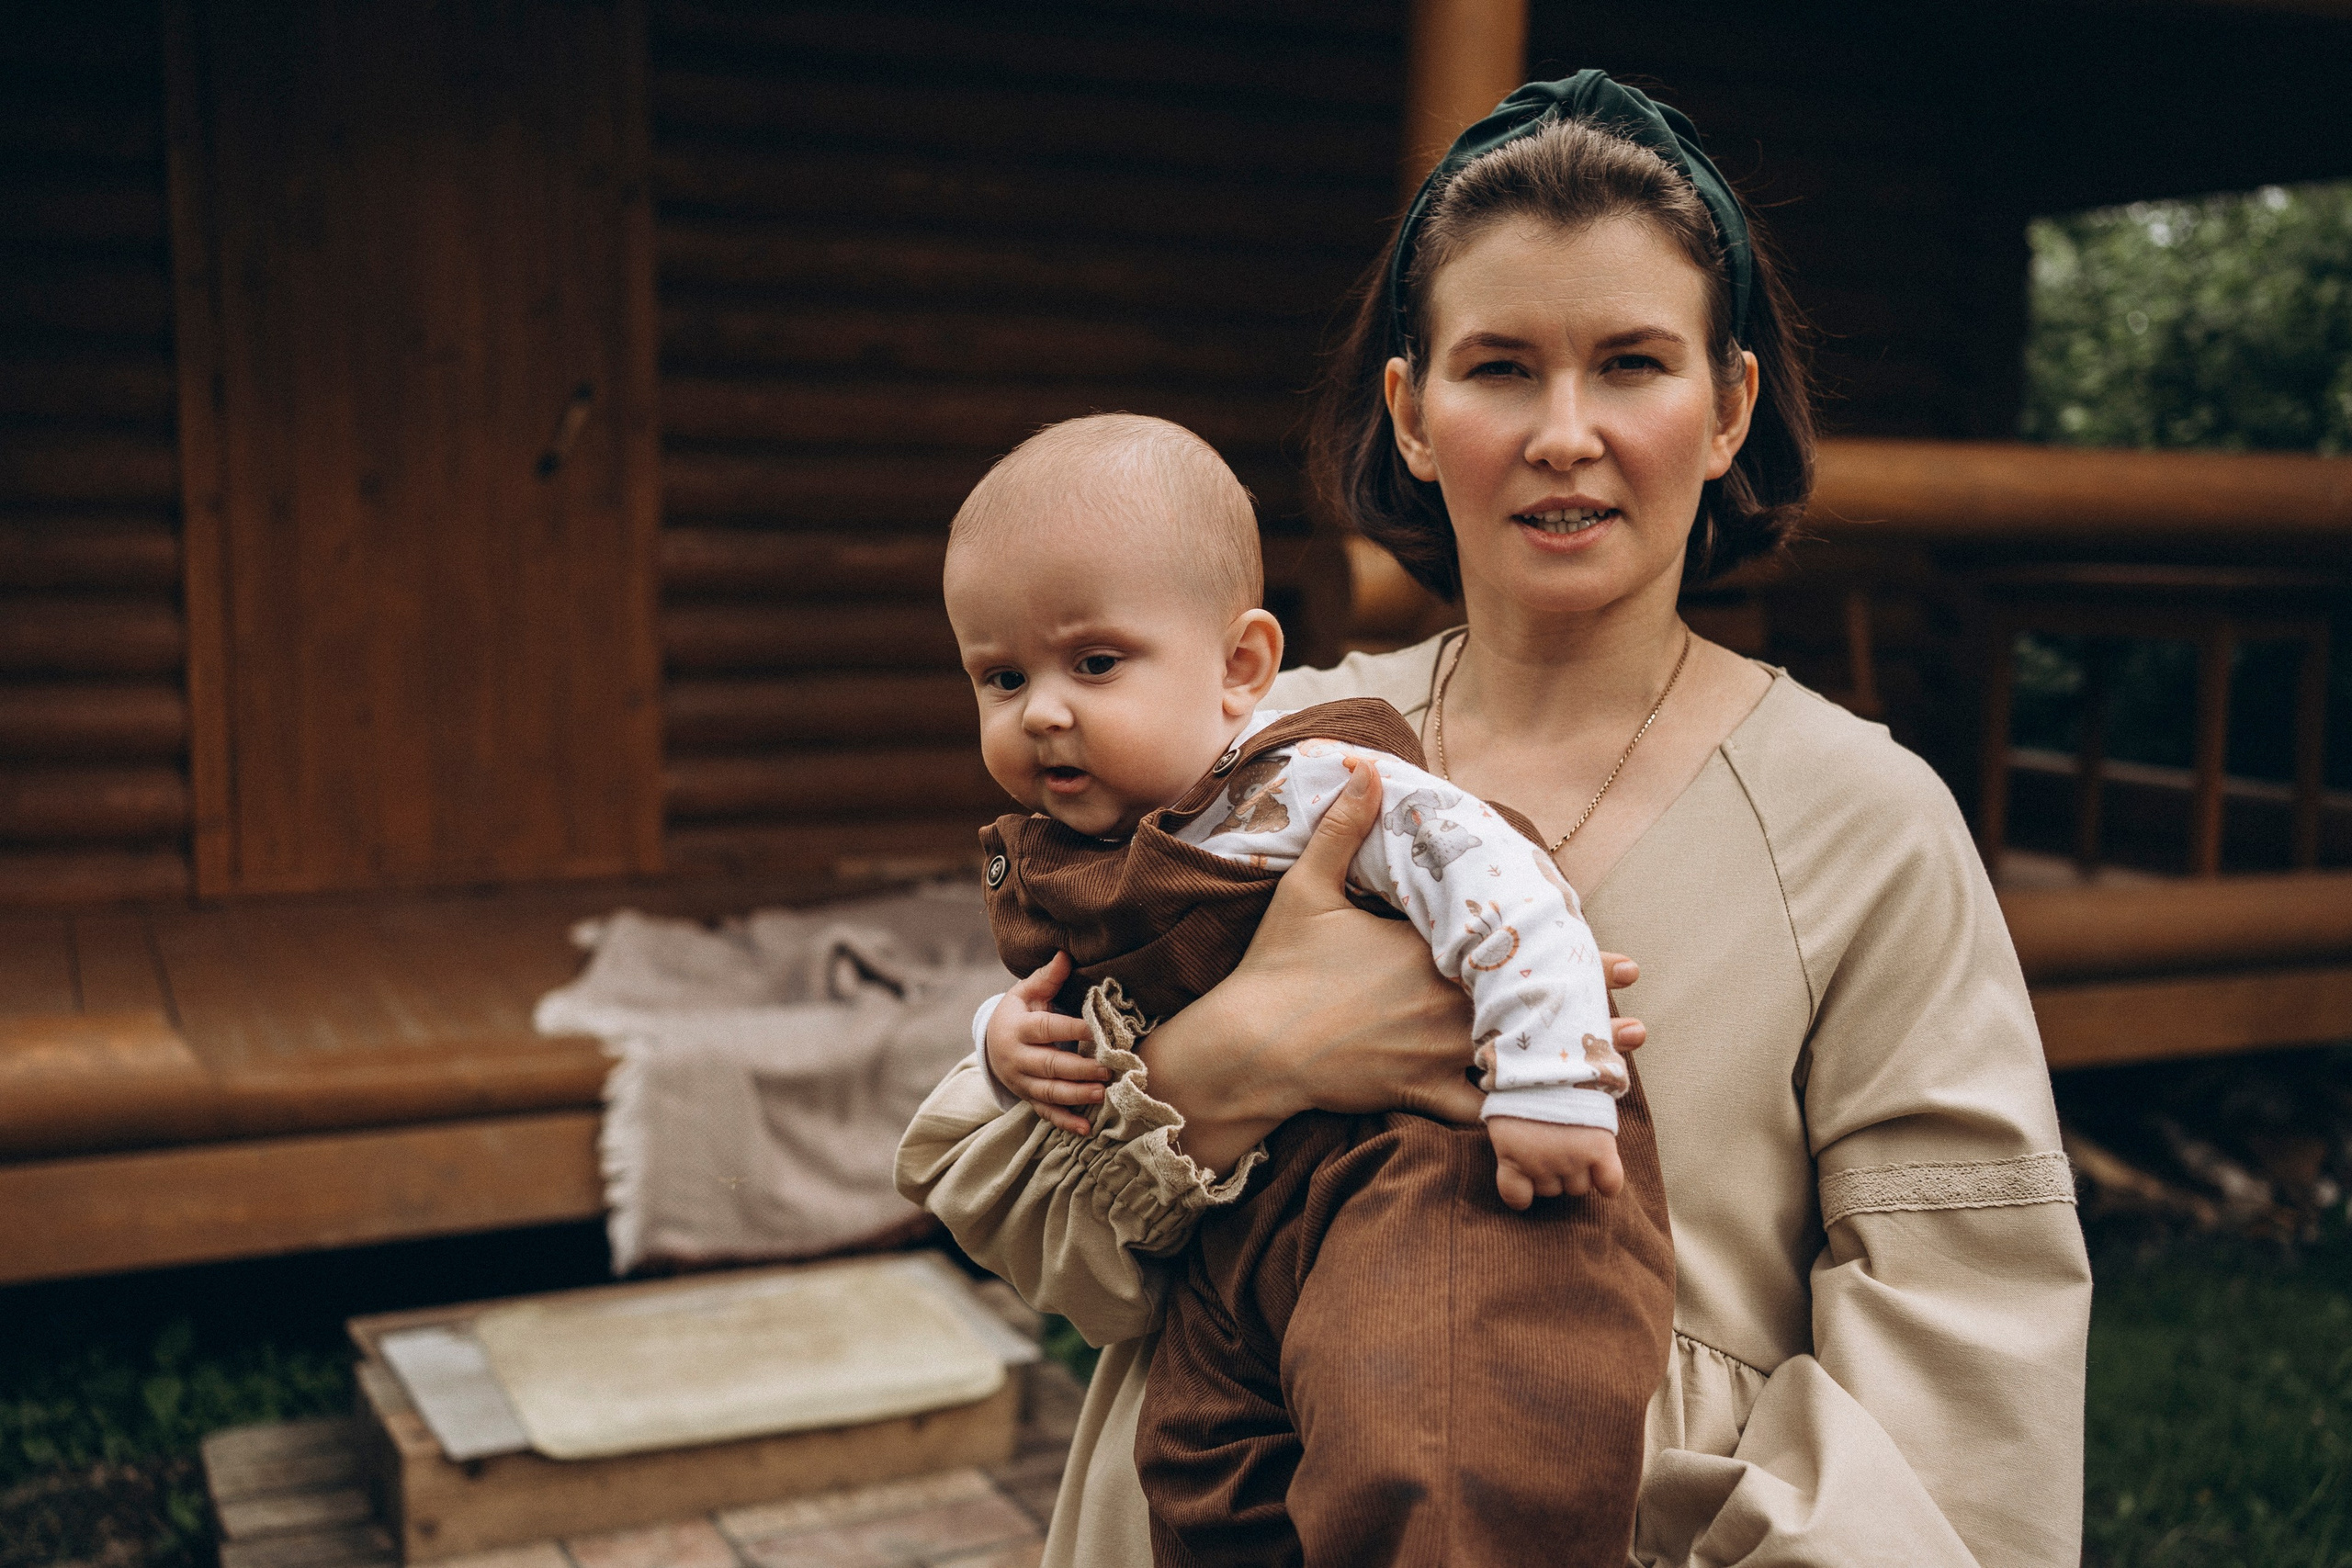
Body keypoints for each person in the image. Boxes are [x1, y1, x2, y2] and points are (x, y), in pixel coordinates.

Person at [900, 71, 2092, 1568]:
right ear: (1411, 411)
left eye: (1634, 364)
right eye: (1502, 367)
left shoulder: (1863, 822)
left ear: (1728, 408)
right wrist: (1246, 1054)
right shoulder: (1246, 756)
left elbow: (1967, 1352)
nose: (1566, 432)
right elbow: (1021, 1211)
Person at [938, 412, 1672, 1566]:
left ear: (1240, 668)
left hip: (1417, 1181)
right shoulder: (1083, 860)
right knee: (1196, 1473)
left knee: (1428, 1450)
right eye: (1000, 675)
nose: (1042, 710)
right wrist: (997, 1040)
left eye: (1093, 663)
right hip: (1242, 1241)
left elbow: (1509, 890)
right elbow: (1065, 1015)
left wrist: (1549, 1080)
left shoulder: (1312, 783)